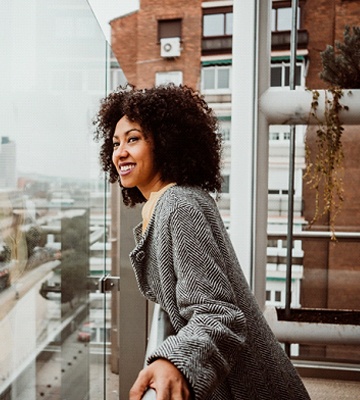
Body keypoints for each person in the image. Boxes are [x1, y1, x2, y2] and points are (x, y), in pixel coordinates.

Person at [94, 84, 310, 400]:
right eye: (115, 143)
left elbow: (217, 312)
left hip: (246, 386)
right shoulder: (172, 202)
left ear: (166, 143)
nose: (120, 152)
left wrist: (175, 361)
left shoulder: (178, 204)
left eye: (133, 139)